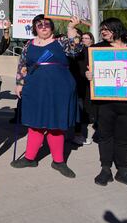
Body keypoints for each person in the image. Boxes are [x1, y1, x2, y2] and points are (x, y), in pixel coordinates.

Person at [11, 15, 81, 178]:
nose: (43, 27)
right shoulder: (29, 44)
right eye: (39, 24)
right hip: (35, 88)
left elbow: (76, 49)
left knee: (55, 125)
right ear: (35, 27)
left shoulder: (62, 41)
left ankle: (58, 161)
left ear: (52, 27)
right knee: (35, 123)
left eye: (47, 24)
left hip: (59, 89)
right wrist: (19, 83)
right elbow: (22, 65)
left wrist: (71, 29)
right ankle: (30, 158)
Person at [85, 18, 127, 191]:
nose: (103, 32)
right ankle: (105, 169)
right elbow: (88, 70)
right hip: (106, 103)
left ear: (117, 29)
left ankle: (123, 171)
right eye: (102, 29)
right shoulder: (96, 49)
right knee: (105, 136)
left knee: (123, 139)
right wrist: (89, 76)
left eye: (107, 29)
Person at [71, 29, 94, 146]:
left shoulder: (94, 51)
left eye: (87, 38)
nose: (84, 40)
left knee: (87, 108)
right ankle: (78, 134)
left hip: (89, 84)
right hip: (77, 83)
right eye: (82, 38)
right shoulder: (76, 51)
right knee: (79, 108)